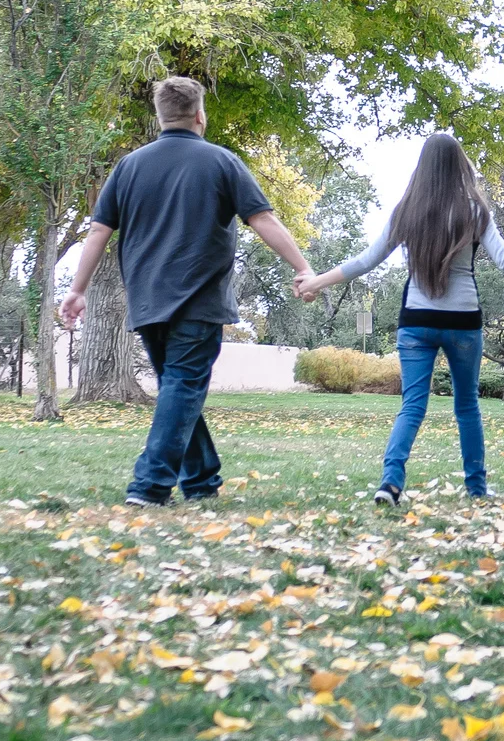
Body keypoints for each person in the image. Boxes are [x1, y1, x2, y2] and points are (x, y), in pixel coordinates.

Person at [61, 77, 315, 508]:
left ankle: (200, 481)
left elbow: (99, 231)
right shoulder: (221, 161)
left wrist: (77, 288)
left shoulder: (129, 166)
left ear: (159, 116)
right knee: (182, 387)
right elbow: (263, 219)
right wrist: (303, 267)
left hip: (145, 298)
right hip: (198, 298)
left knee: (179, 388)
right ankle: (150, 485)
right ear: (200, 115)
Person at [294, 133, 504, 506]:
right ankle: (476, 488)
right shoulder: (474, 210)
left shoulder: (407, 210)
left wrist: (315, 281)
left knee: (412, 405)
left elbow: (366, 260)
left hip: (416, 320)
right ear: (460, 164)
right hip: (463, 321)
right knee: (467, 406)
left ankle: (390, 482)